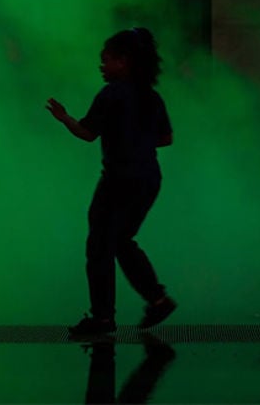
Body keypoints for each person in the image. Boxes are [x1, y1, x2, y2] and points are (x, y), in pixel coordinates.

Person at [47, 27, 177, 337]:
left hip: (118, 180)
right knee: (122, 240)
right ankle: (156, 298)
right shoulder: (152, 96)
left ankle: (103, 318)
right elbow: (166, 138)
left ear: (124, 61)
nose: (101, 67)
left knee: (100, 247)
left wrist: (65, 118)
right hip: (148, 179)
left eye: (106, 61)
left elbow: (88, 134)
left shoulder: (112, 94)